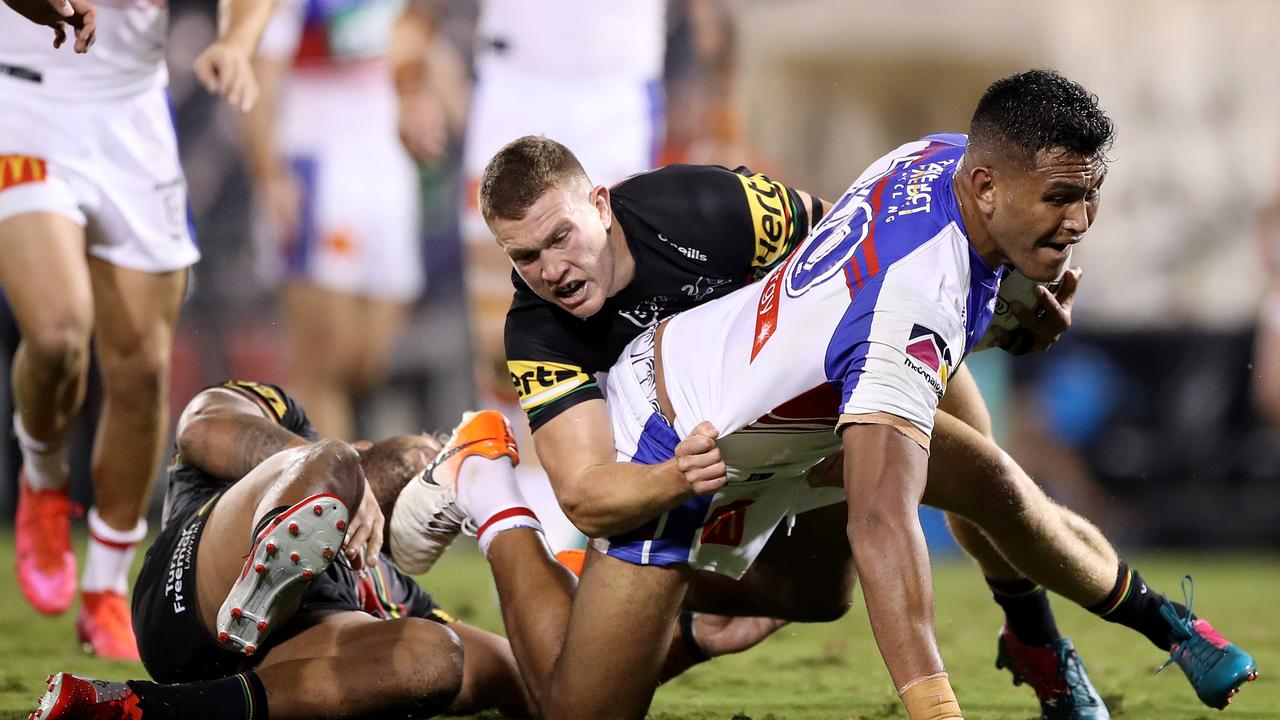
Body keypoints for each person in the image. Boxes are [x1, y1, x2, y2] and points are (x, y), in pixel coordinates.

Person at [397, 72, 1258, 719]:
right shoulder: (539, 332)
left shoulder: (908, 168)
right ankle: (488, 487)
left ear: (600, 203)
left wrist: (1016, 309)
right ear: (987, 187)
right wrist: (935, 707)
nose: (1074, 222)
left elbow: (835, 234)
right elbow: (875, 519)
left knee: (944, 505)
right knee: (573, 710)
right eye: (525, 257)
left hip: (781, 415)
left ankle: (1075, 633)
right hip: (663, 455)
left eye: (1085, 198)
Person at [31, 388, 773, 720]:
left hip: (289, 652)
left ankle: (137, 711)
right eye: (426, 456)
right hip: (197, 576)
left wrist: (689, 638)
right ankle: (279, 553)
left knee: (436, 657)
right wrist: (335, 473)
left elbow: (547, 682)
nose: (430, 458)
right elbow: (201, 423)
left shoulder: (401, 590)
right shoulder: (299, 431)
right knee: (326, 465)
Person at [0, 0, 269, 659]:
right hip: (24, 104)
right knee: (60, 332)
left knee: (143, 368)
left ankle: (107, 588)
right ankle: (42, 473)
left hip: (132, 112)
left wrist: (236, 40)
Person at [240, 0, 444, 440]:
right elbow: (263, 70)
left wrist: (425, 97)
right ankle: (330, 496)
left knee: (368, 360)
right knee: (322, 361)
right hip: (318, 160)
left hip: (388, 163)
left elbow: (415, 34)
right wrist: (269, 173)